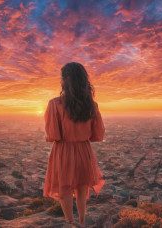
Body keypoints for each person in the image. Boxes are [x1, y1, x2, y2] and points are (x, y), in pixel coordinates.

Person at [43, 62, 106, 227]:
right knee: (82, 188)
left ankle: (70, 222)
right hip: (84, 150)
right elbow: (97, 135)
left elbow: (54, 135)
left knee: (64, 188)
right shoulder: (91, 105)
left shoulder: (55, 104)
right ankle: (82, 222)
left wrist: (50, 138)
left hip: (63, 150)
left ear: (65, 80)